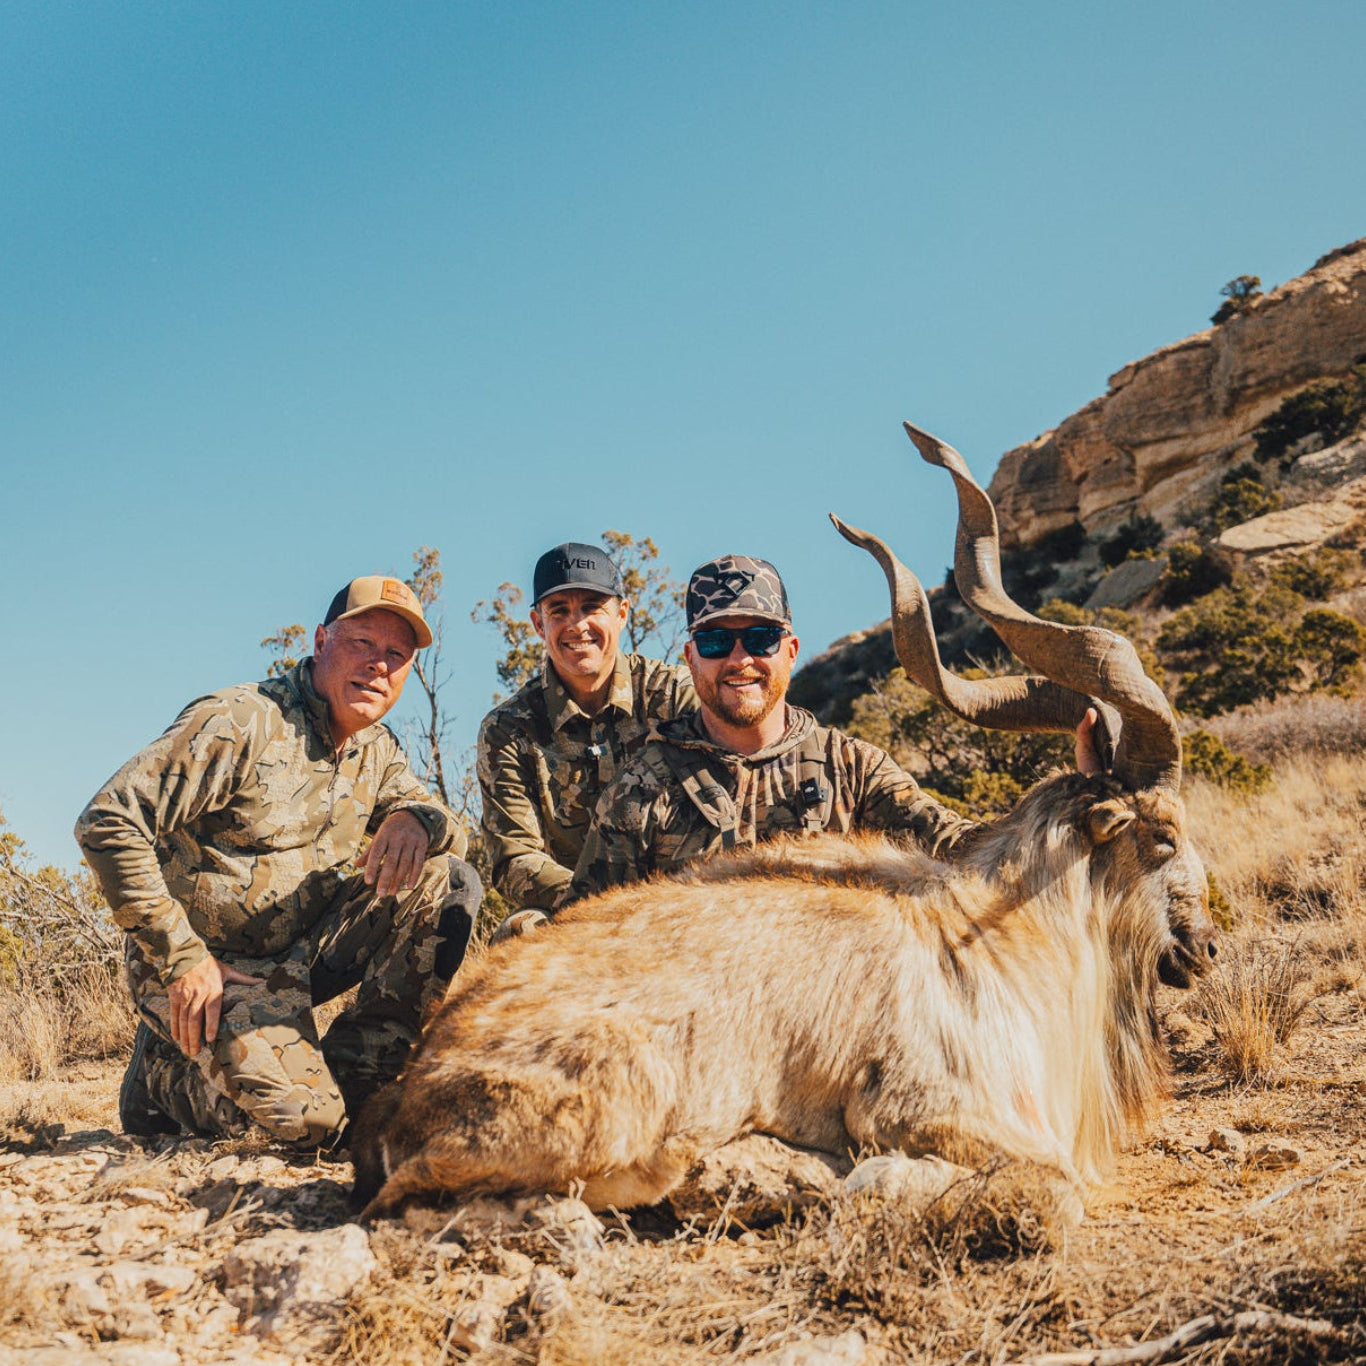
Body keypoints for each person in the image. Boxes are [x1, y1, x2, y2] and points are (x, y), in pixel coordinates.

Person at [75, 576, 482, 1147]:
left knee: (447, 878)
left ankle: (363, 1071)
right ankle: (162, 1077)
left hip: (299, 957)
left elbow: (447, 825)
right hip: (204, 970)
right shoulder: (240, 721)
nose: (378, 666)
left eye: (396, 655)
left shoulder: (377, 749)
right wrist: (182, 957)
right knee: (308, 1131)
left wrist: (419, 819)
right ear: (321, 641)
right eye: (362, 643)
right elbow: (108, 820)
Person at [570, 555, 1100, 900]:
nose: (739, 659)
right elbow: (588, 929)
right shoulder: (640, 788)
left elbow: (967, 851)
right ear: (690, 658)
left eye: (760, 639)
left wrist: (1078, 795)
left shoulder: (852, 767)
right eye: (714, 643)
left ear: (791, 652)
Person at [476, 541, 696, 913]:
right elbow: (515, 856)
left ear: (622, 613)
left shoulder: (677, 696)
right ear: (537, 624)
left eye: (592, 608)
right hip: (576, 914)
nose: (577, 625)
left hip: (679, 901)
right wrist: (599, 904)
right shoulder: (508, 729)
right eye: (558, 611)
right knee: (520, 928)